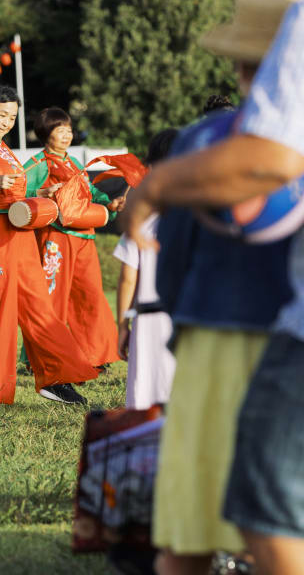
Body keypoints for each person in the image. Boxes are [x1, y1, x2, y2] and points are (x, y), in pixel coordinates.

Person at [123, 0, 304, 574]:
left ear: (238, 66)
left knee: (190, 524)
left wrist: (179, 315)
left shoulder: (200, 143)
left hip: (213, 343)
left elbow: (171, 257)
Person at [0, 85, 100, 408]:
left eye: (13, 117)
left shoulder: (5, 151)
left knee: (41, 309)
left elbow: (18, 190)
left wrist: (41, 197)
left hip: (22, 235)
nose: (7, 122)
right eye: (2, 115)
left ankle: (56, 379)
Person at [22, 108, 124, 371]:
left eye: (69, 129)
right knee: (51, 296)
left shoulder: (74, 163)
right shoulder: (37, 164)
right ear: (46, 134)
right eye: (60, 130)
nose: (67, 135)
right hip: (56, 238)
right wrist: (41, 192)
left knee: (90, 294)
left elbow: (90, 191)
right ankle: (43, 355)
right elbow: (18, 191)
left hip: (84, 237)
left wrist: (108, 203)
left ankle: (95, 355)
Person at [112, 128, 178, 411]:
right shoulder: (200, 216)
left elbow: (128, 279)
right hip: (185, 314)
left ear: (150, 167)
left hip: (147, 317)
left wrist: (122, 324)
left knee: (145, 394)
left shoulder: (140, 219)